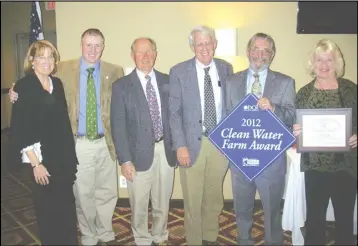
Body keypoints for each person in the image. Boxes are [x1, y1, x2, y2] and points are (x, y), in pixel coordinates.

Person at [9, 28, 124, 246]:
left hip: (97, 144)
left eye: (97, 45)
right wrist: (15, 91)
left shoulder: (114, 71)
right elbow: (27, 95)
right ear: (81, 45)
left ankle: (105, 230)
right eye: (88, 44)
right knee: (82, 195)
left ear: (103, 46)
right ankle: (89, 234)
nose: (92, 49)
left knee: (106, 192)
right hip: (76, 143)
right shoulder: (64, 69)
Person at [225, 33, 296, 245]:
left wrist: (274, 108)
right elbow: (227, 116)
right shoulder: (231, 81)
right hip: (240, 160)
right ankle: (244, 240)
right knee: (242, 209)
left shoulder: (285, 82)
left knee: (272, 211)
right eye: (256, 49)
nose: (260, 54)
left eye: (265, 50)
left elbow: (292, 117)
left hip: (271, 162)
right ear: (248, 51)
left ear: (272, 55)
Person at [8, 40, 78, 245]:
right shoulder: (24, 86)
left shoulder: (57, 84)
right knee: (47, 209)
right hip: (42, 159)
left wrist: (70, 157)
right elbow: (21, 128)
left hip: (62, 157)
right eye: (41, 56)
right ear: (32, 60)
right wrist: (36, 164)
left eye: (50, 56)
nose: (47, 61)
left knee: (66, 208)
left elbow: (63, 121)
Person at [168, 25, 233, 245]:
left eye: (208, 43)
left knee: (214, 198)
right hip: (191, 144)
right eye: (199, 44)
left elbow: (231, 106)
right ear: (192, 46)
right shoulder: (178, 71)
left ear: (215, 44)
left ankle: (210, 237)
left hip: (220, 143)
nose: (204, 48)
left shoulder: (226, 68)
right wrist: (180, 146)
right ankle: (195, 241)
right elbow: (174, 113)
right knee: (193, 200)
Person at [110, 37, 176, 246]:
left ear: (156, 54)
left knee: (162, 201)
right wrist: (125, 160)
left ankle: (160, 235)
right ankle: (141, 239)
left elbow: (176, 115)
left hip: (165, 151)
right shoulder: (121, 86)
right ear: (133, 56)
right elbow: (118, 125)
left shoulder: (167, 81)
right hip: (137, 155)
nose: (146, 57)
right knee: (138, 204)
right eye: (141, 53)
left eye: (150, 52)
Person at [293, 39, 357, 245]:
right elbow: (293, 124)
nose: (324, 64)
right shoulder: (303, 93)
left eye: (329, 59)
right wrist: (294, 130)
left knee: (345, 220)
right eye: (319, 59)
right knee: (315, 221)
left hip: (346, 166)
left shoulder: (351, 90)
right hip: (315, 166)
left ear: (336, 62)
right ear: (313, 62)